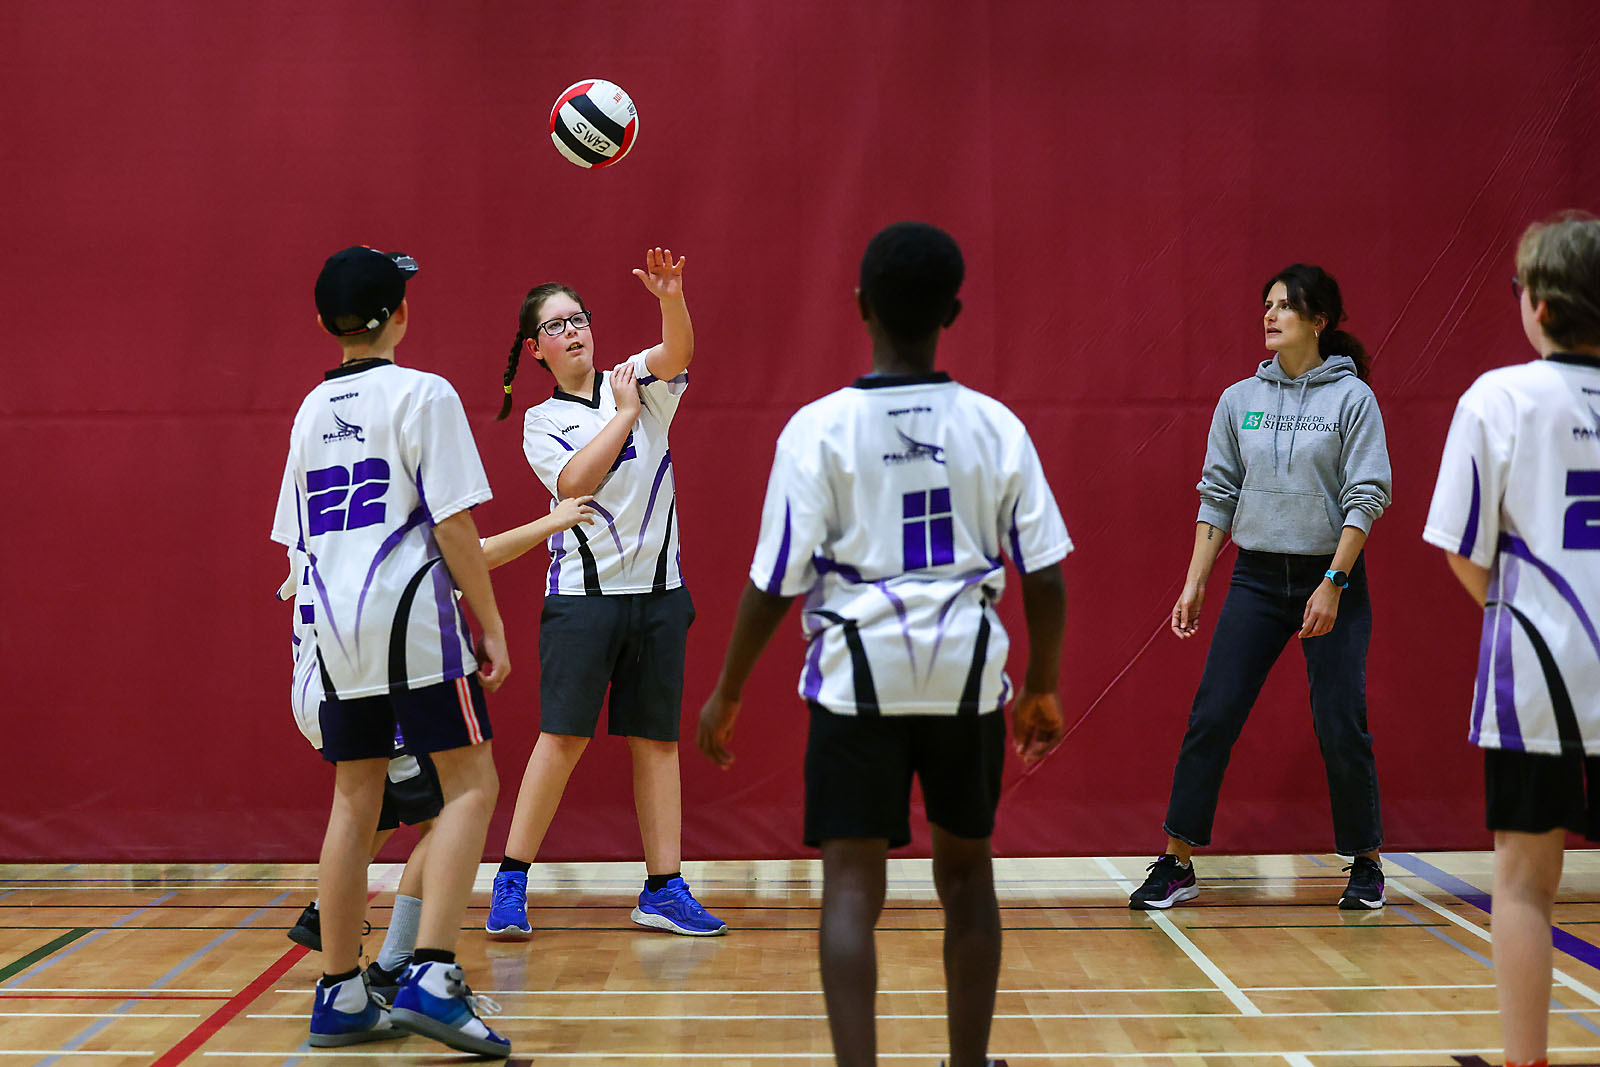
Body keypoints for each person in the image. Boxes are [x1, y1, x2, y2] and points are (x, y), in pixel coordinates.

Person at [696, 221, 1070, 1067]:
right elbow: (1045, 576)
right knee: (968, 877)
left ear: (861, 306)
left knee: (852, 887)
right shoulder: (994, 425)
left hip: (856, 680)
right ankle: (968, 1066)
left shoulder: (816, 429)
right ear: (955, 309)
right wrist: (1043, 683)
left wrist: (728, 690)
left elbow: (773, 583)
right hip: (967, 676)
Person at [270, 246, 511, 1056]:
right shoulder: (424, 393)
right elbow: (453, 522)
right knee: (471, 784)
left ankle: (339, 992)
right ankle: (434, 975)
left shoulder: (307, 412)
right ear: (400, 313)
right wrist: (492, 624)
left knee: (354, 799)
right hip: (410, 616)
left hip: (332, 625)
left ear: (323, 325)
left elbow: (292, 537)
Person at [1129, 264, 1393, 912]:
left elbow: (1367, 495)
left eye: (1285, 306)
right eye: (1267, 305)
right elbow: (1217, 493)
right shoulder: (1238, 399)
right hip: (1255, 576)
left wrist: (1333, 581)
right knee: (1212, 714)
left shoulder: (1351, 400)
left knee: (1340, 723)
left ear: (1319, 319)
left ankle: (1366, 862)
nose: (1270, 315)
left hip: (1329, 577)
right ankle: (1177, 860)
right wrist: (1195, 582)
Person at [485, 248, 725, 938]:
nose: (574, 331)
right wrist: (623, 417)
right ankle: (510, 879)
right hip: (583, 600)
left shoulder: (635, 379)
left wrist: (671, 297)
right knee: (561, 738)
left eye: (580, 319)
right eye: (557, 327)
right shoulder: (542, 420)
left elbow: (676, 350)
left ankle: (663, 886)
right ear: (536, 350)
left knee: (655, 741)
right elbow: (573, 484)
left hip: (660, 593)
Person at [280, 499, 595, 1002]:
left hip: (313, 681)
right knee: (449, 815)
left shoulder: (322, 489)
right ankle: (400, 963)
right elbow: (472, 551)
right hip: (366, 681)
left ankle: (327, 917)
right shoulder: (395, 511)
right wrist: (552, 523)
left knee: (366, 807)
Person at [1423, 210, 1600, 1067]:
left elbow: (1462, 546)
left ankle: (1526, 1060)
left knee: (1526, 880)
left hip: (1539, 672)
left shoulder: (1499, 397)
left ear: (1535, 302)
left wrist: (1519, 609)